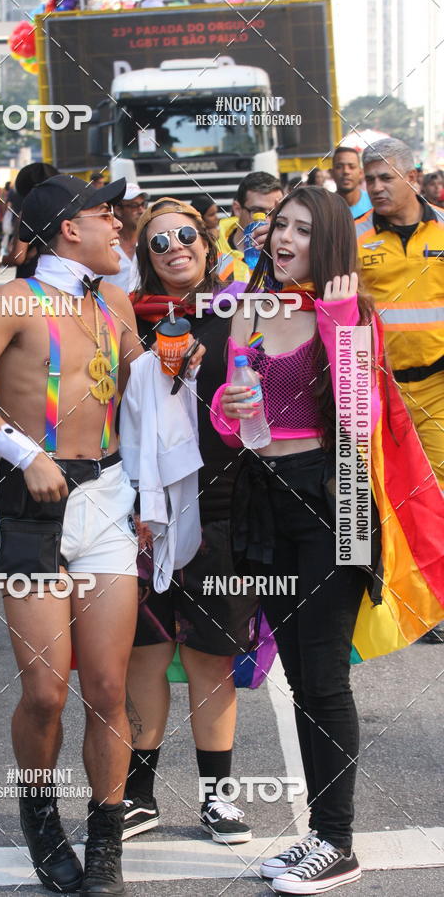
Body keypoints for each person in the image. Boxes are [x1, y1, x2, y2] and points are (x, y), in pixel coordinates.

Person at [0, 175, 202, 896]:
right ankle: (40, 824)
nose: (119, 226)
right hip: (34, 509)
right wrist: (24, 455)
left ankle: (105, 841)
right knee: (45, 695)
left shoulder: (111, 298)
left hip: (107, 501)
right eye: (105, 216)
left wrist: (179, 360)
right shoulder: (11, 302)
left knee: (107, 687)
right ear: (68, 229)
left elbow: (142, 377)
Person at [211, 185, 444, 892]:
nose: (284, 239)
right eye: (279, 225)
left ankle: (336, 842)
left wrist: (341, 319)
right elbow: (235, 423)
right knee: (299, 676)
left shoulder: (350, 316)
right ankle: (318, 834)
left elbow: (358, 419)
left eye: (303, 230)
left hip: (333, 497)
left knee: (322, 676)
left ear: (331, 243)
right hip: (264, 499)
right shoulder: (250, 305)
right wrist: (228, 406)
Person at [122, 197, 257, 846]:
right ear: (144, 260)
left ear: (206, 244)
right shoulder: (128, 325)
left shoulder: (241, 314)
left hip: (222, 513)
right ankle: (138, 795)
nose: (175, 246)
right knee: (143, 654)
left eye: (185, 235)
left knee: (211, 658)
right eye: (158, 242)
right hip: (142, 517)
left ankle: (218, 800)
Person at [356, 139, 444, 490]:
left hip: (437, 386)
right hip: (380, 390)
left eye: (386, 178)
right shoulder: (354, 235)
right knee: (393, 490)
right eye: (371, 180)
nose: (376, 188)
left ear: (412, 178)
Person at [217, 172, 283, 281]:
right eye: (257, 212)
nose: (267, 221)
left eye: (274, 213)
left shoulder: (290, 255)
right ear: (237, 209)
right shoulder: (213, 255)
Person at [1, 162, 59, 278]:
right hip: (58, 278)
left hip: (32, 279)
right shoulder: (63, 213)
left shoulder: (26, 215)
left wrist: (4, 260)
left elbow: (18, 258)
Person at [104, 183, 148, 293]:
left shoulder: (150, 242)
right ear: (118, 210)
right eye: (134, 205)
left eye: (143, 204)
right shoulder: (104, 244)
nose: (142, 210)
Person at [330, 147, 373, 219]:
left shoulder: (374, 203)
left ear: (361, 173)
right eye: (339, 167)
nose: (346, 171)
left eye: (352, 167)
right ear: (332, 173)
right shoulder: (323, 208)